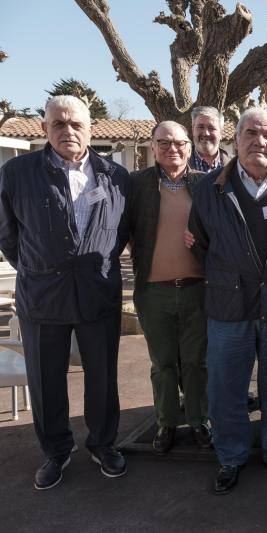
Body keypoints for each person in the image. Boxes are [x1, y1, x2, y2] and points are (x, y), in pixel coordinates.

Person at [0, 95, 129, 489]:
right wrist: (39, 267)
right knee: (46, 379)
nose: (68, 130)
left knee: (103, 377)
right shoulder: (17, 173)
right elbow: (7, 233)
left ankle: (103, 443)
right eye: (58, 123)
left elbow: (120, 231)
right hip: (42, 296)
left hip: (97, 294)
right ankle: (56, 451)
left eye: (76, 124)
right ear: (44, 129)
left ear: (91, 128)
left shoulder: (114, 175)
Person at [188, 107, 267, 494]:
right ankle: (230, 456)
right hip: (229, 307)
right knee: (226, 387)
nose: (259, 141)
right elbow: (200, 244)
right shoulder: (208, 188)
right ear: (236, 139)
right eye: (250, 134)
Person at [129, 121, 210, 455]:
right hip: (154, 291)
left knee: (196, 362)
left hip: (197, 290)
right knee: (162, 363)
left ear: (189, 148)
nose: (172, 149)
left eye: (179, 143)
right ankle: (165, 422)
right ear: (152, 146)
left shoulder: (205, 185)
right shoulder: (135, 186)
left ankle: (199, 419)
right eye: (164, 143)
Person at [189, 106, 230, 172]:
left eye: (211, 128)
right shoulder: (178, 166)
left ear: (221, 133)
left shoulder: (235, 169)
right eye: (200, 127)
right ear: (193, 130)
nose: (206, 133)